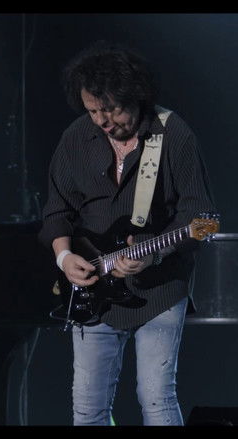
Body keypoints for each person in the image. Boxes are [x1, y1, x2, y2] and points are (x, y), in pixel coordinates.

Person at [38, 41, 216, 426]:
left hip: (159, 288)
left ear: (135, 95)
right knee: (88, 409)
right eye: (92, 111)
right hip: (92, 288)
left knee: (155, 398)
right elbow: (56, 209)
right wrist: (64, 257)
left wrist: (155, 253)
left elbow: (200, 216)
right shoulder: (76, 138)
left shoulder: (174, 133)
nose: (102, 121)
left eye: (111, 109)